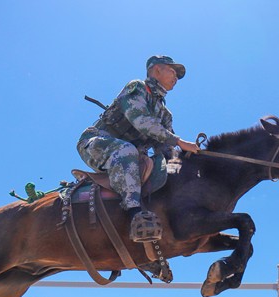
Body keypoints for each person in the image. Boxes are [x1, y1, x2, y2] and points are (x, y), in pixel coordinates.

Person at [77, 55, 199, 242]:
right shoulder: (137, 87)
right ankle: (135, 214)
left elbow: (166, 148)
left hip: (129, 156)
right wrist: (180, 141)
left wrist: (187, 161)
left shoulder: (165, 114)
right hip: (96, 144)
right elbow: (141, 121)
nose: (176, 77)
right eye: (172, 71)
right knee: (127, 150)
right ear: (156, 69)